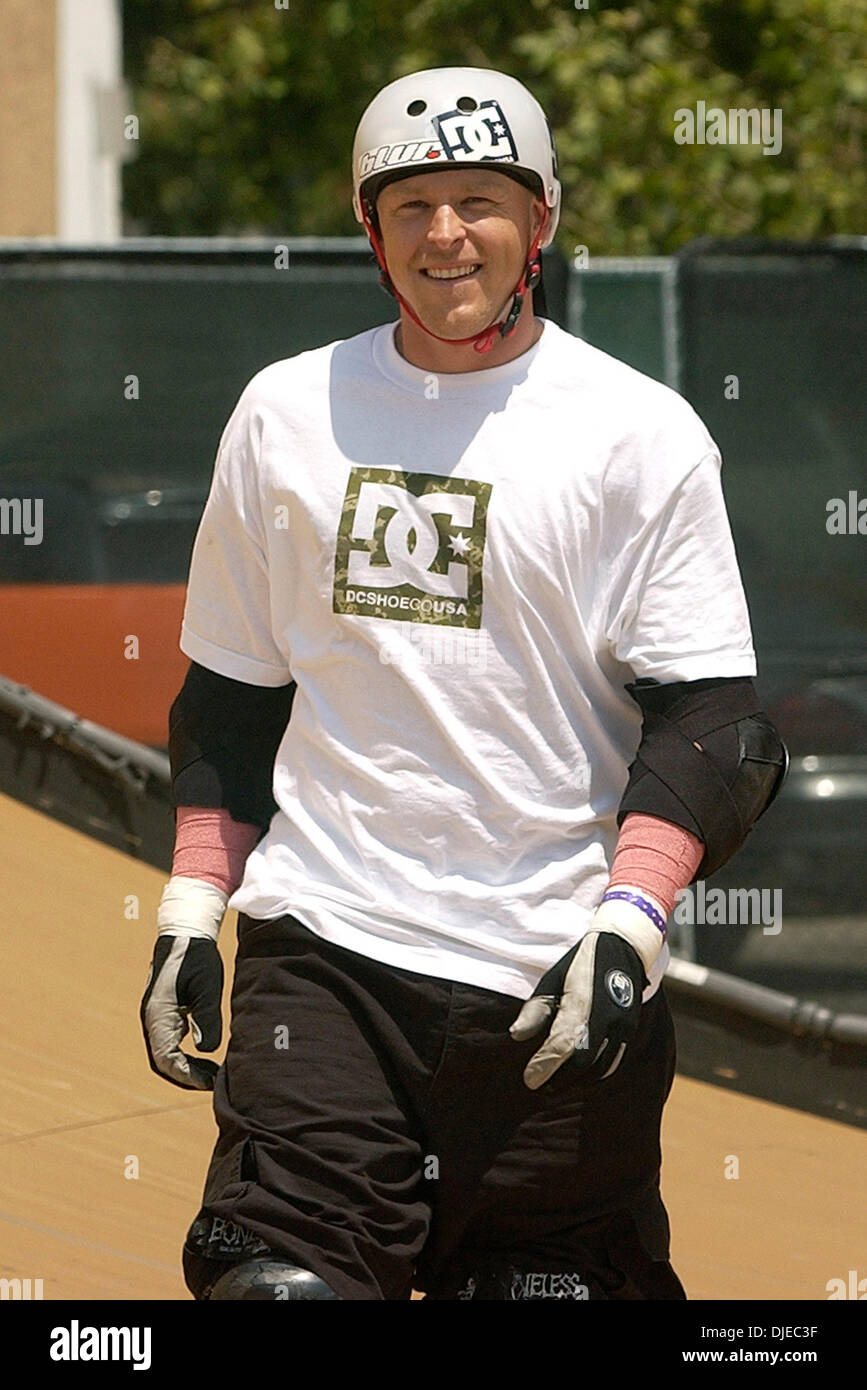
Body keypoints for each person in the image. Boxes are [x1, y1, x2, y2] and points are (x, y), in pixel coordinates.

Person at [141, 67, 786, 1301]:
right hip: (328, 953)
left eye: (480, 201)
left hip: (558, 983)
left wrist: (630, 923)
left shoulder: (637, 433)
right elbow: (231, 696)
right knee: (277, 1284)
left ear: (539, 220)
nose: (447, 234)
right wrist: (187, 911)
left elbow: (712, 725)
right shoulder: (285, 414)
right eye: (412, 204)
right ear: (368, 229)